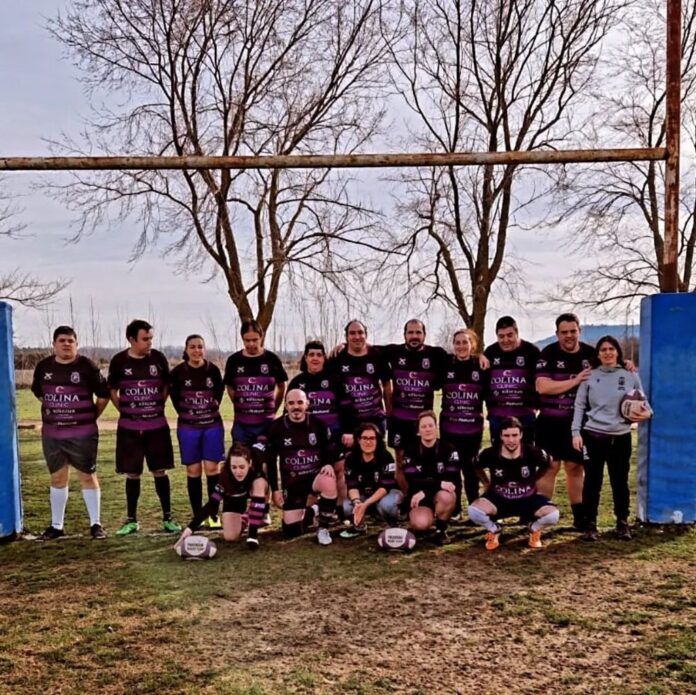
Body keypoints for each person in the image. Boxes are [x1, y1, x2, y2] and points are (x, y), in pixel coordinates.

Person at [30, 326, 110, 540]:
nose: (66, 344)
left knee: (87, 475)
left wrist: (92, 415)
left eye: (70, 341)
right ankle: (56, 526)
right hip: (53, 435)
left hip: (82, 433)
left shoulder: (86, 366)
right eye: (62, 340)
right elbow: (39, 393)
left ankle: (96, 524)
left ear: (76, 344)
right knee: (57, 477)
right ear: (54, 344)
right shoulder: (44, 367)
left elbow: (103, 394)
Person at [572, 335, 651, 541]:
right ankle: (590, 525)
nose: (607, 352)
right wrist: (575, 432)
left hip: (621, 437)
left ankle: (622, 524)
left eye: (611, 349)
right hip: (594, 436)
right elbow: (579, 405)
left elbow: (643, 402)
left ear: (617, 351)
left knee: (619, 481)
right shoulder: (590, 376)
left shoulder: (630, 375)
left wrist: (645, 413)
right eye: (603, 349)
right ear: (597, 354)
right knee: (592, 482)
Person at [108, 319, 181, 536]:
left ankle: (168, 517)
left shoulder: (158, 358)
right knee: (132, 473)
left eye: (151, 338)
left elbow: (167, 385)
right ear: (132, 339)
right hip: (129, 428)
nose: (150, 342)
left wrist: (158, 404)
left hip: (156, 426)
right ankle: (131, 520)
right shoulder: (119, 361)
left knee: (160, 470)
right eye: (145, 339)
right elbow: (112, 389)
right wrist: (123, 408)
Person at [256, 389, 338, 545]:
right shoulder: (276, 427)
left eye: (300, 402)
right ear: (286, 406)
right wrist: (275, 489)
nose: (296, 407)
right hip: (293, 483)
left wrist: (328, 463)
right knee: (291, 532)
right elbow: (271, 461)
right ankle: (313, 510)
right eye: (291, 403)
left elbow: (330, 448)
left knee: (329, 480)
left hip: (314, 479)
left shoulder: (318, 425)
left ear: (307, 404)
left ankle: (323, 528)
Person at [535, 313, 594, 529]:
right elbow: (543, 386)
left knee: (575, 467)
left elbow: (610, 370)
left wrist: (626, 365)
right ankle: (542, 513)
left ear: (579, 330)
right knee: (549, 466)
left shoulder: (591, 354)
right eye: (564, 332)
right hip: (549, 422)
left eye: (572, 331)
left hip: (577, 424)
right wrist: (576, 380)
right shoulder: (548, 353)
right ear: (557, 333)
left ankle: (580, 515)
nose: (569, 336)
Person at [468, 417, 559, 550]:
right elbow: (475, 465)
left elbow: (549, 463)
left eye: (515, 435)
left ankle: (533, 528)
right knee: (474, 511)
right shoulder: (491, 453)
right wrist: (486, 483)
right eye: (507, 436)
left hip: (527, 499)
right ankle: (494, 529)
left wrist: (536, 479)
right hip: (499, 500)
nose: (511, 440)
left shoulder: (532, 452)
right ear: (501, 436)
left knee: (553, 516)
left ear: (521, 435)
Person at [380, 319, 449, 492]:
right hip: (400, 420)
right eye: (410, 332)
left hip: (423, 422)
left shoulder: (436, 354)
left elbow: (463, 357)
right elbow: (366, 350)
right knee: (402, 463)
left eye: (418, 332)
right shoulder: (393, 352)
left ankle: (427, 498)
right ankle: (407, 498)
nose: (414, 336)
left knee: (426, 464)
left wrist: (480, 356)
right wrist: (343, 345)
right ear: (404, 335)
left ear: (424, 335)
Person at [170, 334, 225, 528]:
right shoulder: (177, 372)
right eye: (192, 347)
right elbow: (175, 399)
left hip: (212, 426)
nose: (197, 350)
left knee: (212, 469)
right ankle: (197, 515)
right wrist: (190, 415)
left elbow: (219, 394)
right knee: (193, 470)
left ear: (205, 349)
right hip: (188, 428)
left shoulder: (213, 370)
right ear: (186, 350)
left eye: (200, 346)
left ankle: (213, 515)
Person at [176, 443, 268, 550]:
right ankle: (247, 517)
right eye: (234, 467)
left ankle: (253, 535)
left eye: (242, 467)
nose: (238, 471)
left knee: (260, 484)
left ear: (250, 463)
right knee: (231, 537)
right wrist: (190, 529)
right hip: (237, 494)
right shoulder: (225, 477)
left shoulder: (258, 465)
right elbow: (212, 504)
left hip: (258, 489)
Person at [440, 328, 489, 514]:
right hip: (449, 429)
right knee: (452, 469)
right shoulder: (446, 364)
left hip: (472, 430)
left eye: (465, 342)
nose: (461, 346)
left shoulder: (481, 366)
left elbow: (488, 396)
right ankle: (455, 509)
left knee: (470, 469)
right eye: (457, 343)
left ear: (472, 345)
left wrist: (481, 356)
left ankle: (474, 507)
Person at [223, 319, 288, 446]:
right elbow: (230, 386)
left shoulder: (272, 359)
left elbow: (281, 386)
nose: (251, 344)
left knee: (265, 464)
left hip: (266, 423)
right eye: (247, 340)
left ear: (261, 337)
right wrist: (240, 403)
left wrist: (274, 408)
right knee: (240, 463)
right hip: (242, 425)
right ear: (242, 339)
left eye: (255, 340)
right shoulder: (234, 360)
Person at [329, 319, 392, 447]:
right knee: (350, 463)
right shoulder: (337, 358)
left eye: (360, 332)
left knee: (375, 462)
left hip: (375, 420)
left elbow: (387, 384)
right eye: (352, 333)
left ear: (366, 335)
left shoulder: (377, 355)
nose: (357, 337)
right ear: (346, 337)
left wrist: (389, 413)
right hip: (348, 422)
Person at [402, 411, 459, 545]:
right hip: (418, 497)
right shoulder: (410, 450)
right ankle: (422, 518)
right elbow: (412, 480)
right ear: (418, 431)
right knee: (421, 525)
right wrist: (438, 484)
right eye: (423, 427)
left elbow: (452, 480)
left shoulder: (449, 449)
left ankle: (441, 528)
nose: (428, 429)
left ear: (436, 427)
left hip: (436, 495)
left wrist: (426, 490)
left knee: (448, 495)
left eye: (430, 425)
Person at [340, 422, 403, 537]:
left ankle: (394, 524)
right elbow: (352, 485)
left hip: (385, 494)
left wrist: (365, 505)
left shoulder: (386, 456)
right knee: (348, 506)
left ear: (378, 440)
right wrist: (357, 503)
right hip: (363, 495)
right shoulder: (350, 458)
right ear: (358, 440)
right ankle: (359, 526)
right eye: (364, 438)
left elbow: (385, 488)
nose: (368, 442)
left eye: (372, 438)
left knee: (387, 505)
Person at [484, 316, 540, 444]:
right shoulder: (490, 352)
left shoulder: (531, 352)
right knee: (499, 457)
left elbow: (541, 381)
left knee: (526, 456)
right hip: (497, 416)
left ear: (517, 333)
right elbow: (484, 383)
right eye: (501, 336)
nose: (506, 340)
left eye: (510, 335)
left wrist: (535, 407)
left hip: (525, 415)